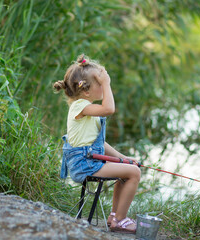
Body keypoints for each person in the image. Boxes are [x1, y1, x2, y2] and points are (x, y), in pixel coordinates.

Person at [53, 54, 141, 234]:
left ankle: (114, 216)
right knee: (134, 173)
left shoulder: (87, 109)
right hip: (84, 165)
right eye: (99, 84)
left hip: (89, 161)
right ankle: (120, 220)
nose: (104, 86)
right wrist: (107, 84)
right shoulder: (79, 107)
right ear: (86, 91)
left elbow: (99, 143)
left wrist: (123, 159)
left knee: (127, 170)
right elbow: (109, 109)